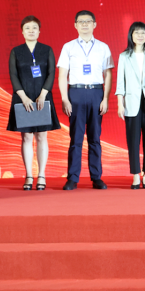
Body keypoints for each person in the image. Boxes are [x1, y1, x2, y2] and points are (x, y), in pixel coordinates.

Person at [57, 10, 113, 190]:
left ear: (94, 24)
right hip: (76, 93)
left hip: (96, 93)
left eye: (88, 21)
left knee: (95, 138)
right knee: (76, 138)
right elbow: (62, 74)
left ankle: (96, 177)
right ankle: (73, 178)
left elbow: (108, 74)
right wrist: (65, 98)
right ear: (75, 25)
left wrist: (105, 98)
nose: (85, 24)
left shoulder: (103, 47)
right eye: (81, 21)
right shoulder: (68, 47)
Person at [6, 15, 60, 191]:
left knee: (42, 136)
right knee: (27, 137)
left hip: (42, 98)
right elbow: (13, 75)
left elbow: (51, 73)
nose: (31, 31)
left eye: (34, 28)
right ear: (22, 32)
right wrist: (23, 97)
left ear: (39, 31)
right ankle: (29, 175)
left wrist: (43, 94)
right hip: (23, 99)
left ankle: (41, 174)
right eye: (27, 28)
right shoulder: (16, 51)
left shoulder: (47, 50)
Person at [115, 22, 145, 190]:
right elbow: (120, 82)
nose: (140, 36)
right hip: (131, 102)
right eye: (137, 33)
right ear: (131, 35)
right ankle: (136, 175)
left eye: (143, 33)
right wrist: (120, 103)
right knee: (133, 140)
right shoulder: (124, 56)